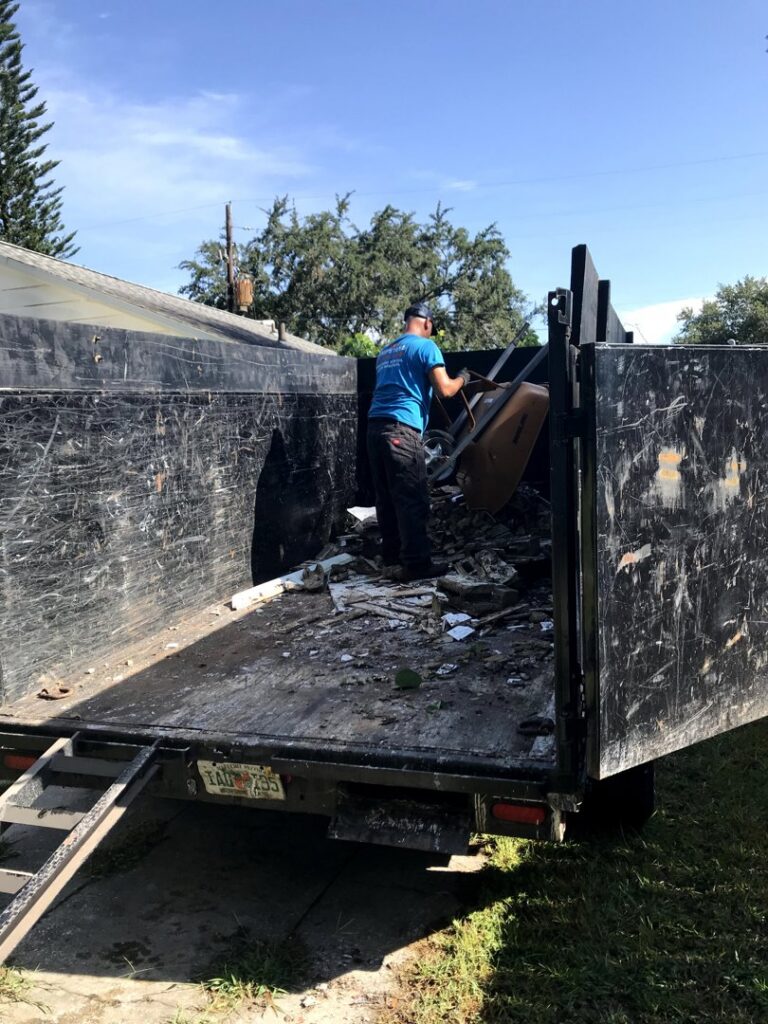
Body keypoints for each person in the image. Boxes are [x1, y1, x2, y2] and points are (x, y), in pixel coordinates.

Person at [366, 302, 485, 581]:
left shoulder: (386, 352)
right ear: (427, 324)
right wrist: (463, 379)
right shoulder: (425, 347)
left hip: (374, 428)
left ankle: (392, 559)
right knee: (412, 498)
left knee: (386, 499)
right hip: (401, 430)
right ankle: (417, 566)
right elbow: (444, 389)